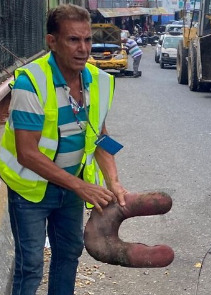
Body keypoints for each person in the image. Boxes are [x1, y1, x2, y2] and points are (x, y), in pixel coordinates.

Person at [0, 4, 127, 295]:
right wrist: (81, 187)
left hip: (70, 188)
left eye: (87, 40)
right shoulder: (32, 82)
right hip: (30, 189)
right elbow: (26, 153)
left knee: (69, 254)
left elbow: (100, 136)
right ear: (52, 42)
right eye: (73, 40)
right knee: (30, 265)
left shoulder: (98, 81)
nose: (83, 48)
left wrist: (114, 182)